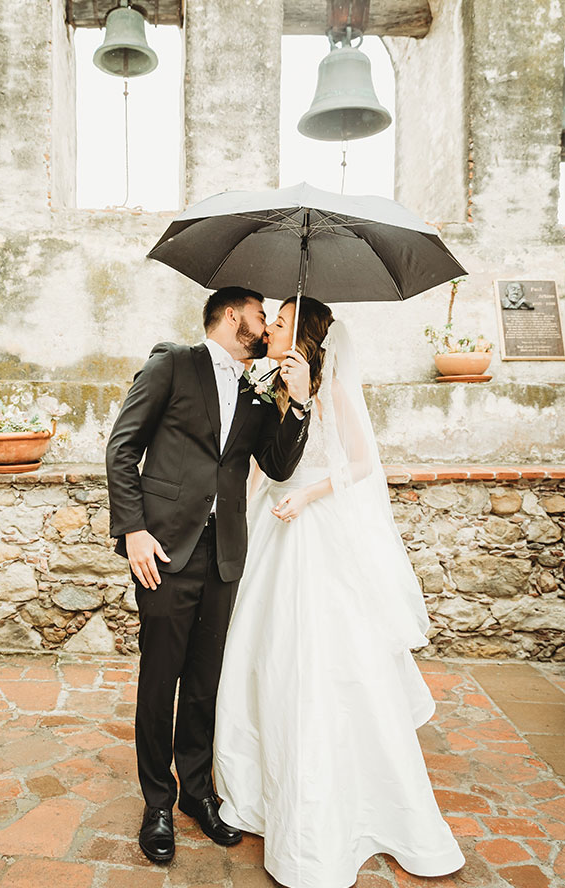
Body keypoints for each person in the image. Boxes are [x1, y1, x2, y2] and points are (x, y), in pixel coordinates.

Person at [214, 296, 466, 888]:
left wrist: (308, 495)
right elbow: (265, 461)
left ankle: (353, 797)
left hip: (317, 526)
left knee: (324, 659)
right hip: (273, 523)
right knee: (266, 657)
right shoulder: (268, 382)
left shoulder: (328, 390)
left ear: (302, 334)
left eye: (278, 322)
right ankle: (261, 788)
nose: (267, 328)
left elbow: (361, 463)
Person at [105, 286, 312, 864]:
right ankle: (157, 804)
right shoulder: (172, 364)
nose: (269, 323)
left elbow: (276, 464)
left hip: (224, 551)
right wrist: (134, 530)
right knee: (161, 675)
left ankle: (197, 792)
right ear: (231, 314)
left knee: (205, 679)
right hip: (163, 548)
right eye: (261, 314)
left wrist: (297, 403)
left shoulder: (259, 384)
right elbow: (122, 449)